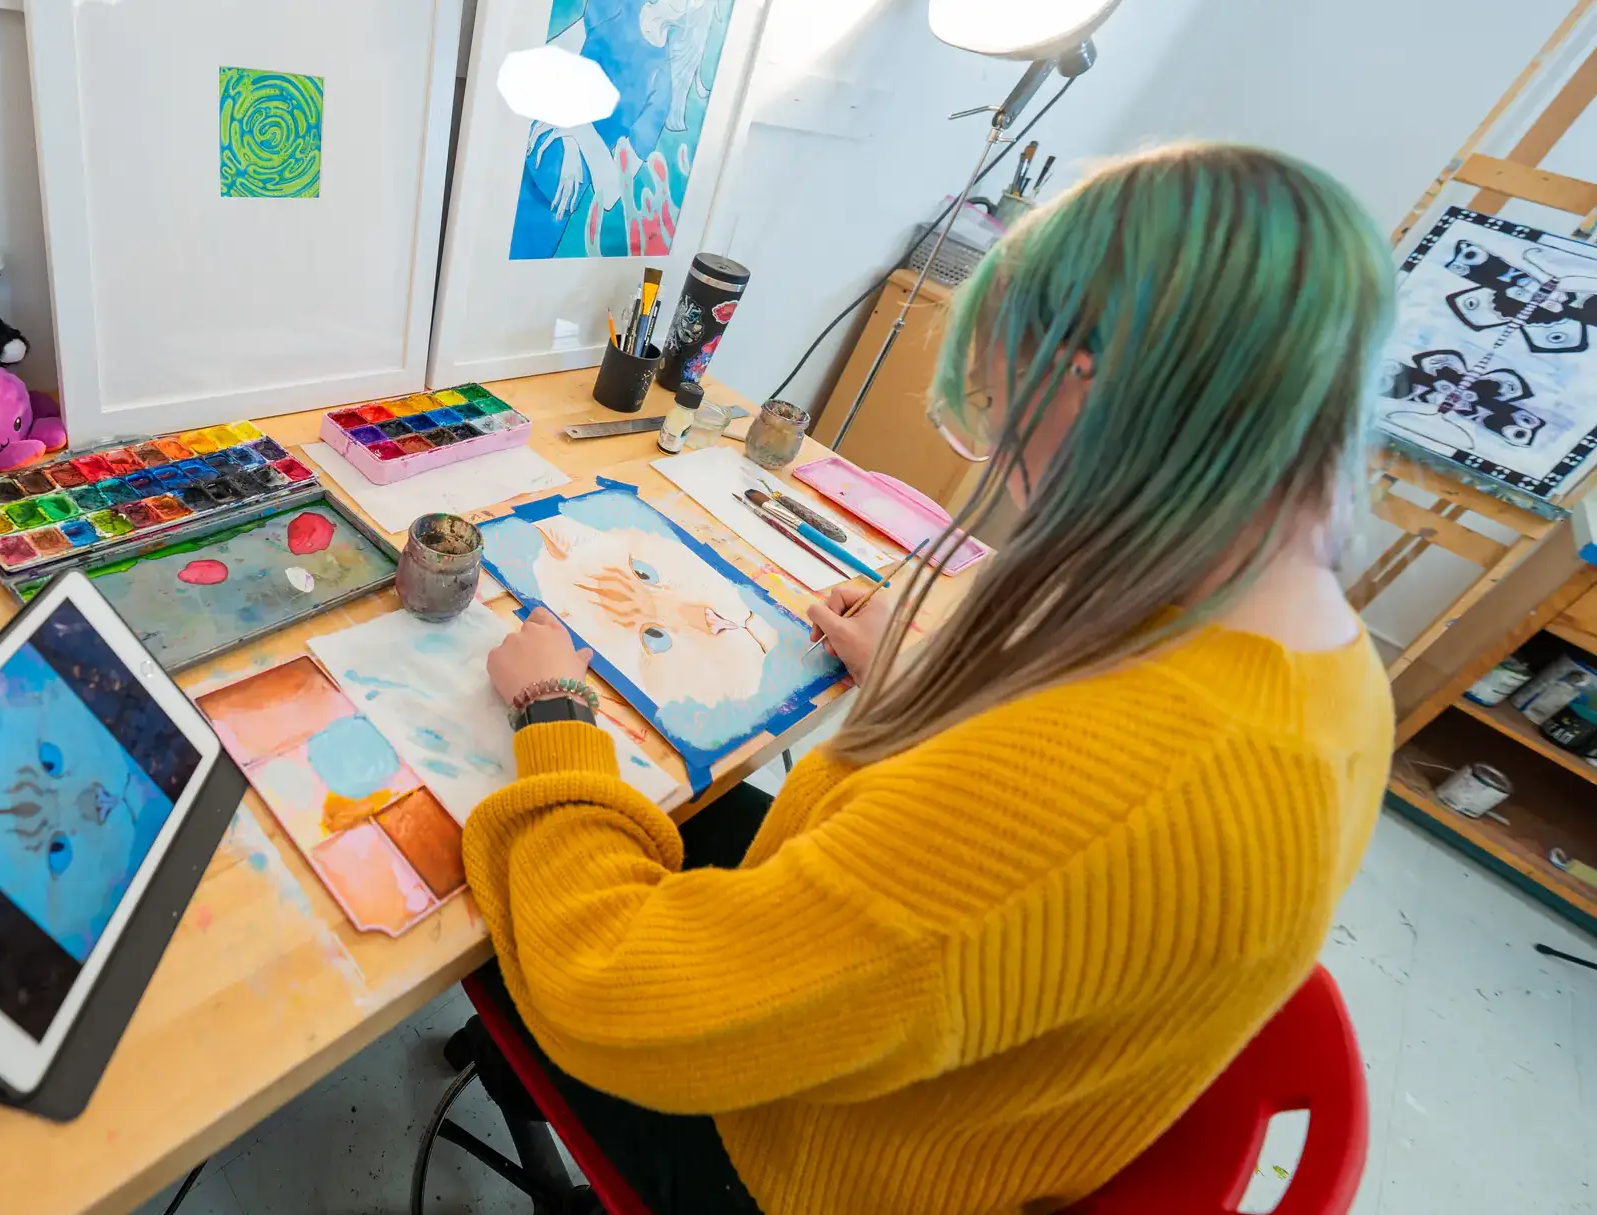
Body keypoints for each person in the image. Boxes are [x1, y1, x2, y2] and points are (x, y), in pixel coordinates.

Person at [464, 142, 1395, 1215]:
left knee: (481, 903)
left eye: (1001, 413)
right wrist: (928, 684)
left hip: (792, 1166)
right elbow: (1010, 880)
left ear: (1091, 389)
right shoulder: (1326, 665)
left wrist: (555, 714)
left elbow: (615, 1001)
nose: (1010, 469)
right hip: (971, 1098)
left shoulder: (1097, 790)